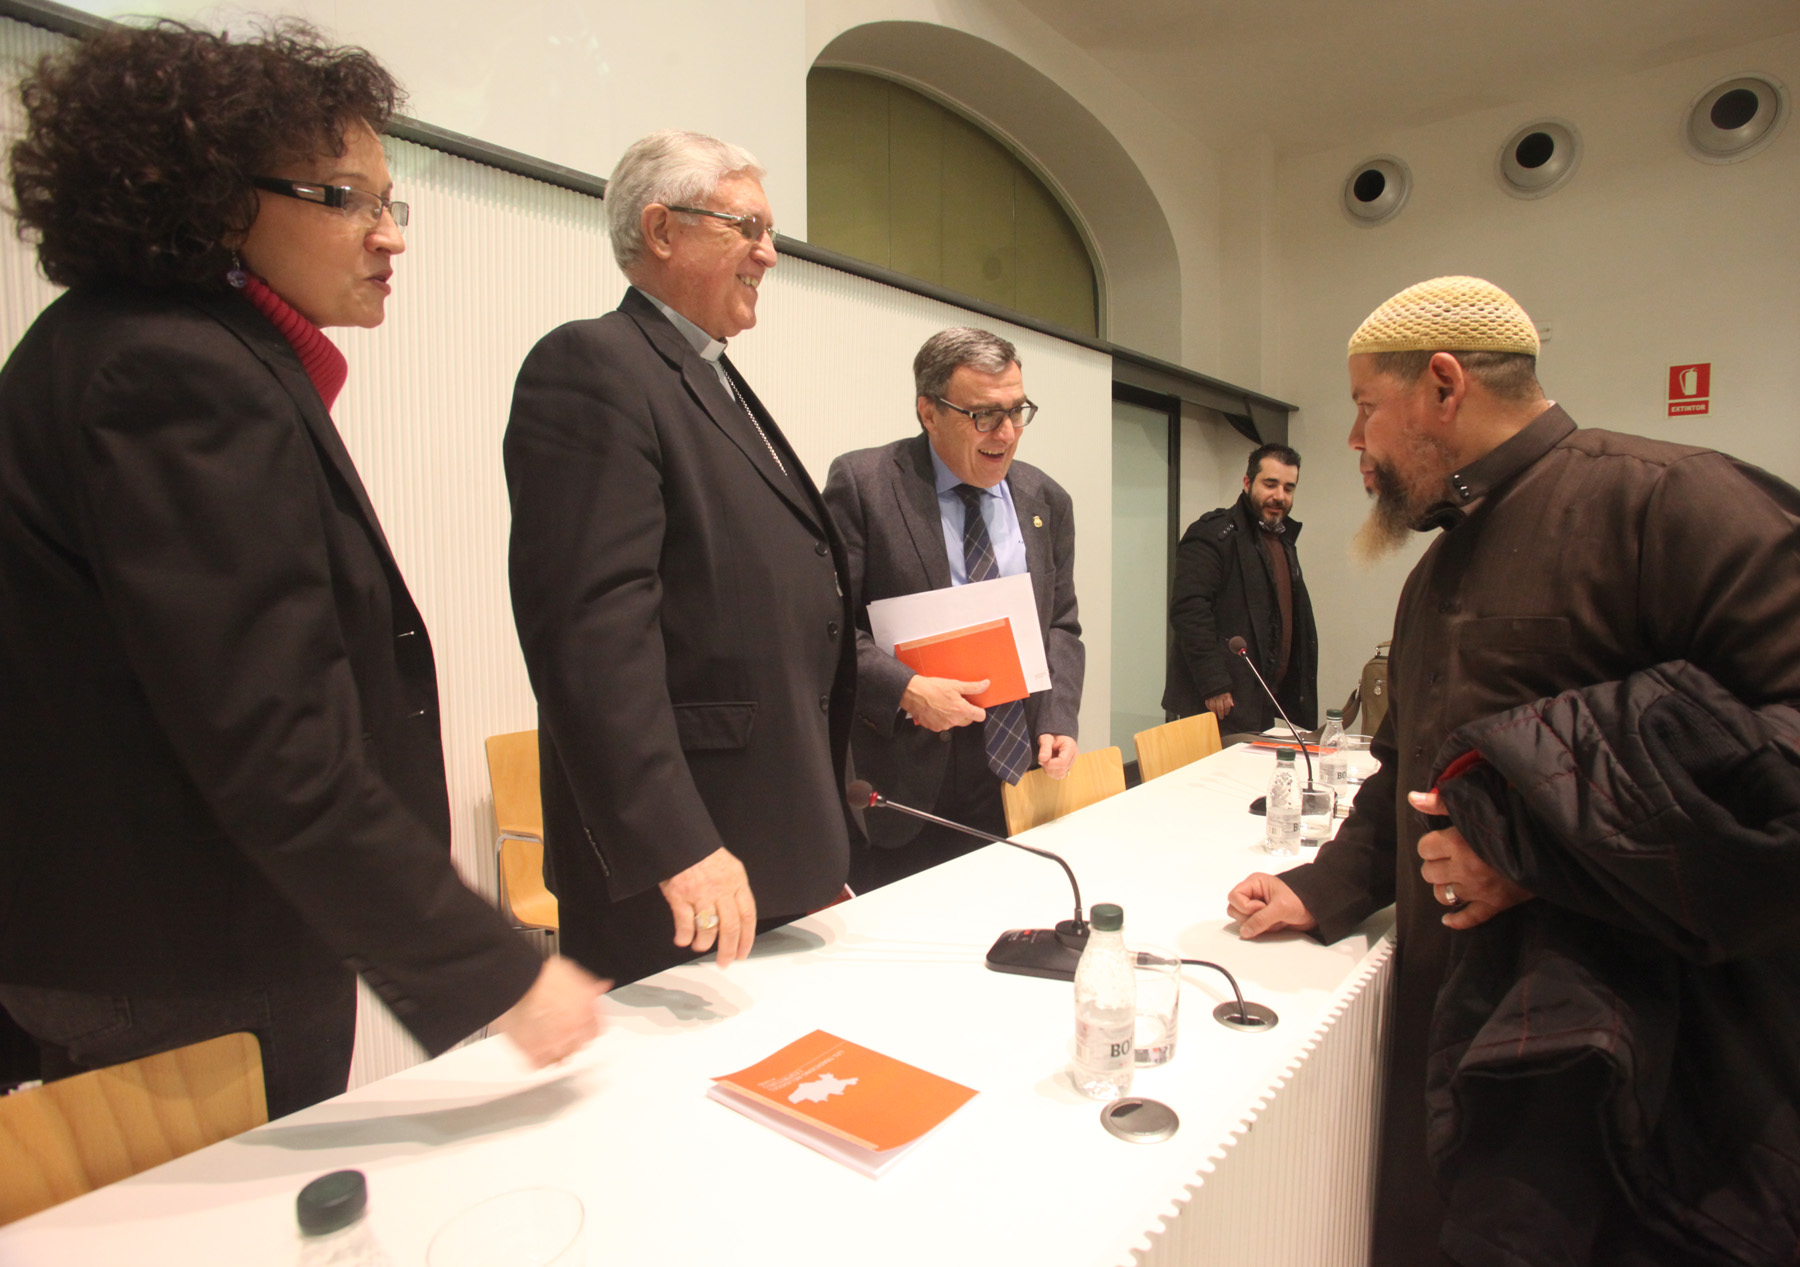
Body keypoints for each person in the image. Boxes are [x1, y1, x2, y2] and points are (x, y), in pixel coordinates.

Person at [0, 21, 604, 1120]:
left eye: (391, 202)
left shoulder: (134, 346)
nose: (390, 236)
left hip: (164, 943)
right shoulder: (175, 372)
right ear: (219, 200)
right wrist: (497, 971)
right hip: (184, 962)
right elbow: (273, 741)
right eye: (346, 199)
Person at [1225, 276, 1800, 1264]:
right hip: (1464, 1033)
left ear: (1444, 385)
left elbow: (1776, 748)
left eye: (1365, 407)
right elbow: (1409, 767)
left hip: (1645, 1072)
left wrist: (1528, 841)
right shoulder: (1435, 571)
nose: (1355, 440)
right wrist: (1322, 887)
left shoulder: (1669, 504)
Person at [505, 130, 857, 986]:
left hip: (765, 843)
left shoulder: (709, 374)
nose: (769, 254)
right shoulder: (594, 364)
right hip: (683, 875)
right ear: (662, 230)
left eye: (771, 232)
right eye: (748, 228)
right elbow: (592, 636)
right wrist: (678, 843)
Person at [822, 328, 1084, 892]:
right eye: (984, 415)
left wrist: (1059, 716)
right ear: (929, 412)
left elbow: (1061, 623)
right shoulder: (865, 486)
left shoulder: (1046, 499)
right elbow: (826, 627)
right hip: (907, 773)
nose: (1006, 433)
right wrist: (906, 688)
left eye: (1017, 411)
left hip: (1016, 769)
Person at [1162, 443, 1317, 735]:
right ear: (1247, 483)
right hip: (1219, 701)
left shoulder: (1282, 540)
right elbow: (1189, 611)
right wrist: (1213, 682)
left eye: (1288, 488)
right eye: (1270, 484)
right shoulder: (1212, 534)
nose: (1279, 496)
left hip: (1263, 698)